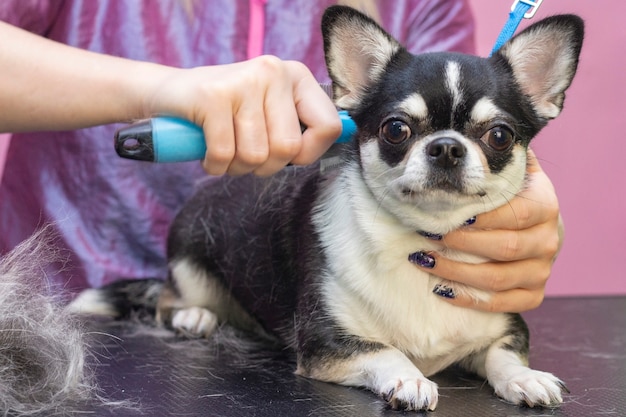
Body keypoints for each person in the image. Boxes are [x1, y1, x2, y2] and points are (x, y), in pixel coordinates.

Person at [0, 0, 561, 314]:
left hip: (304, 327)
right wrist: (156, 88)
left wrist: (517, 211)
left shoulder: (422, 7)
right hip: (46, 316)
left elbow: (468, 133)